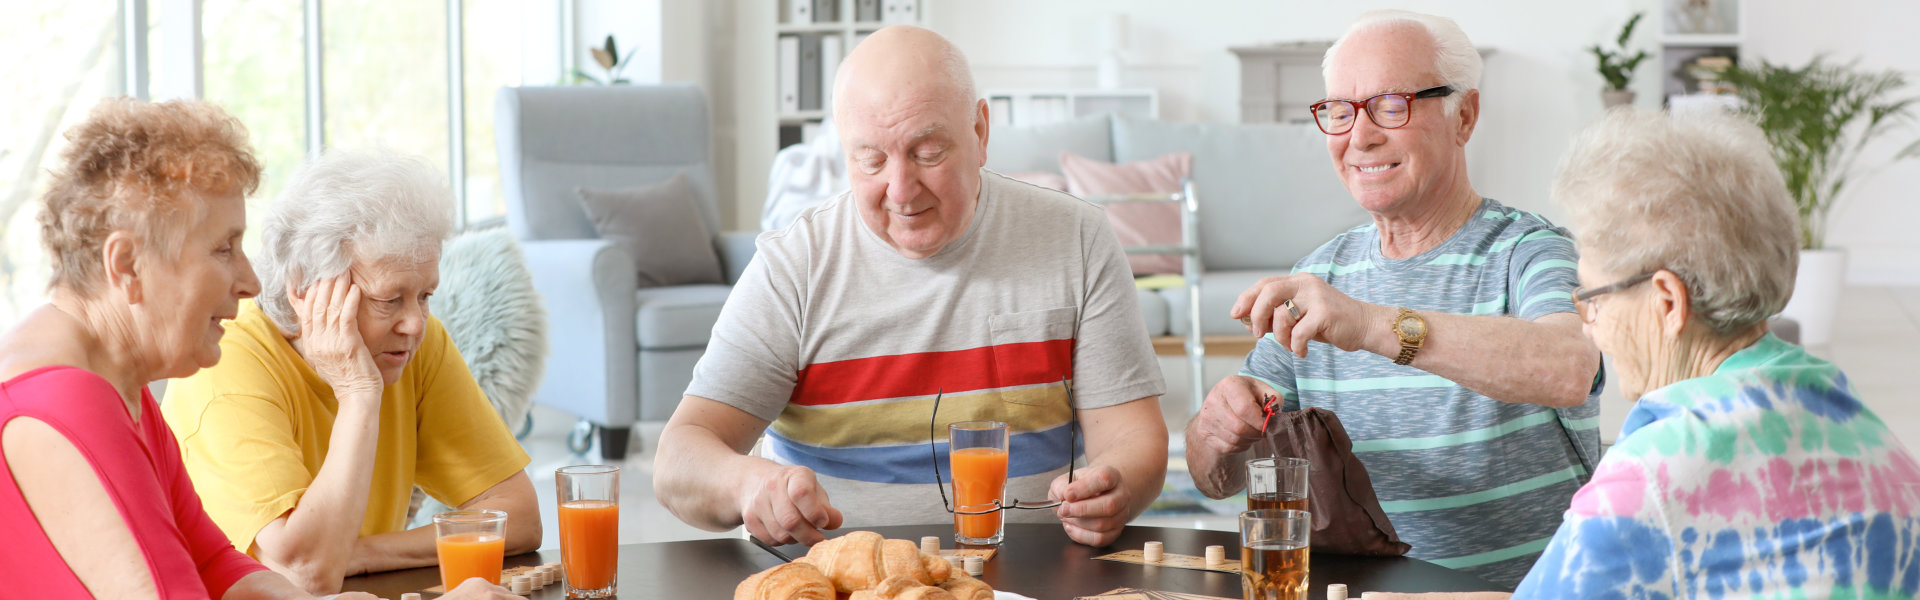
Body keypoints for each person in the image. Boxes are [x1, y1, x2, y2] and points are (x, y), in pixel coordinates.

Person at [653, 25, 1168, 548]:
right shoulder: (795, 265)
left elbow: (1134, 437)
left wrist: (1115, 487)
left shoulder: (1076, 238)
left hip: (1028, 575)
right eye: (871, 159)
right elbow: (679, 460)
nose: (900, 191)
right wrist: (747, 484)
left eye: (926, 152)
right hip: (839, 581)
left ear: (981, 131)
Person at [0, 98, 513, 600]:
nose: (249, 281)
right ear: (128, 265)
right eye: (224, 248)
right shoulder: (66, 403)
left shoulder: (118, 391)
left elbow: (217, 568)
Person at [1183, 10, 1604, 586]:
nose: (1360, 137)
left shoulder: (1531, 251)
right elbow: (1217, 479)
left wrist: (1370, 324)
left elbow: (1570, 365)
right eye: (1340, 111)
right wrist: (1214, 429)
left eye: (1391, 105)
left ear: (1465, 116)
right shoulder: (1319, 273)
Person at [1507, 108, 1920, 596]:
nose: (1590, 327)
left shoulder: (1652, 480)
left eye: (1593, 298)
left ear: (1667, 303)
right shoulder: (1858, 424)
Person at [163, 151, 540, 594]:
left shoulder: (414, 342)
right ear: (305, 286)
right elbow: (306, 574)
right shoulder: (227, 365)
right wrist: (359, 393)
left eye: (425, 295)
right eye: (389, 299)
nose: (415, 324)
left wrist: (360, 552)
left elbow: (518, 518)